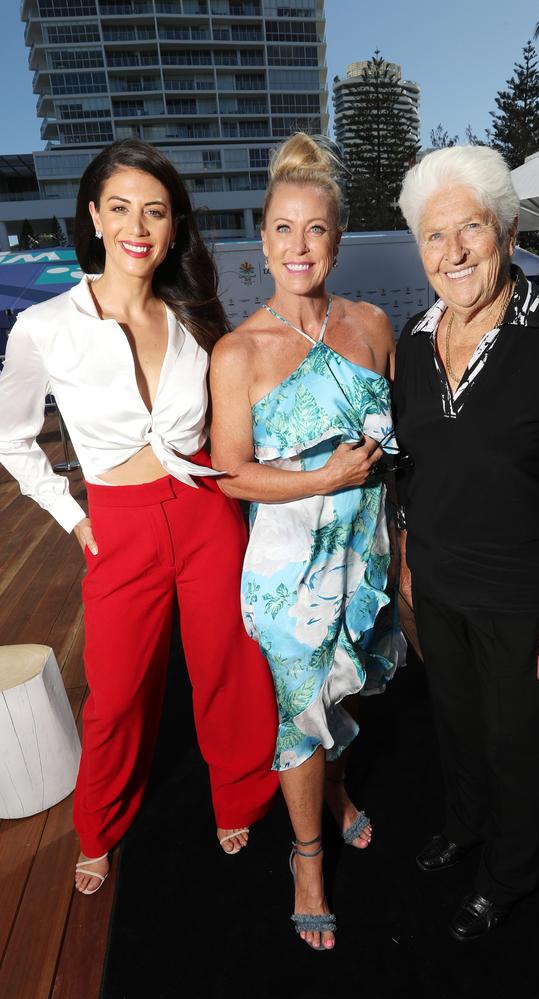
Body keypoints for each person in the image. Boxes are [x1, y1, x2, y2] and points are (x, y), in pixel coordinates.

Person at [0, 140, 279, 895]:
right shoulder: (45, 326)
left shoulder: (193, 312)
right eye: (120, 207)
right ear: (92, 215)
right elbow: (11, 438)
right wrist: (72, 514)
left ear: (174, 226)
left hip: (205, 511)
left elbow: (234, 415)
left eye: (155, 210)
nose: (138, 224)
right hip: (118, 524)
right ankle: (100, 822)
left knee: (230, 663)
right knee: (117, 690)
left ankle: (241, 791)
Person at [393, 146, 539, 942]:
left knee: (521, 744)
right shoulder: (413, 340)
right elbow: (410, 469)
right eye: (435, 235)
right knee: (457, 725)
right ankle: (466, 824)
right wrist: (406, 566)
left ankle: (510, 870)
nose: (454, 251)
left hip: (532, 597)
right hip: (441, 581)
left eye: (471, 228)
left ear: (506, 229)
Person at [210, 133, 397, 950]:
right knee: (298, 715)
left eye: (315, 229)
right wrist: (324, 480)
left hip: (363, 561)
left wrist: (403, 550)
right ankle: (309, 858)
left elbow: (393, 460)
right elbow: (231, 474)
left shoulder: (374, 327)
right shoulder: (239, 351)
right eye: (283, 229)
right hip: (287, 575)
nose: (299, 246)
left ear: (338, 239)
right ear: (262, 241)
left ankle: (335, 794)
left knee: (342, 697)